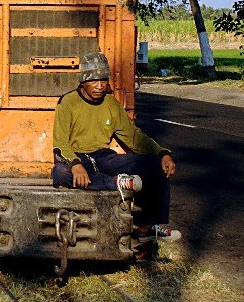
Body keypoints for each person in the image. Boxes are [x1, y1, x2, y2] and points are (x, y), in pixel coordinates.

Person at [52, 51, 181, 243]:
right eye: (93, 81)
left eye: (103, 80)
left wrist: (161, 153)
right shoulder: (68, 102)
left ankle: (147, 227)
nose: (99, 86)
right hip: (80, 159)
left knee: (155, 165)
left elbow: (134, 137)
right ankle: (117, 183)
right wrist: (75, 164)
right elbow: (60, 143)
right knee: (59, 173)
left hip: (104, 158)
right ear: (83, 81)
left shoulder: (111, 104)